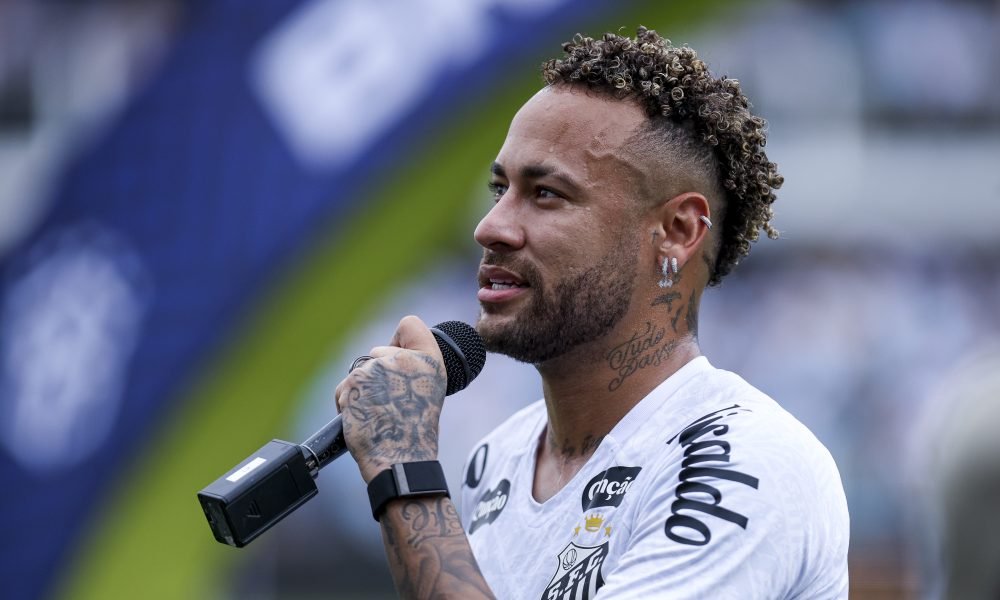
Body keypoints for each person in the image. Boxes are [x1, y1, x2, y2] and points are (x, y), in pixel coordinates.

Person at [335, 27, 849, 599]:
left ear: (677, 231)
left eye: (546, 194)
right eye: (500, 189)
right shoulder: (498, 458)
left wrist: (404, 467)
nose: (490, 227)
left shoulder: (747, 462)